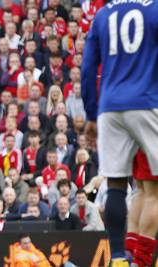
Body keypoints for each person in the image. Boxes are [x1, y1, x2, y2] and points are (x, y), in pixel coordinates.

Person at [82, 3, 158, 267]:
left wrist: (91, 114)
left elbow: (88, 68)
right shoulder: (154, 9)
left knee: (122, 186)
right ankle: (143, 259)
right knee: (154, 191)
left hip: (110, 107)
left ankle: (118, 258)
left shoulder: (102, 15)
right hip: (147, 103)